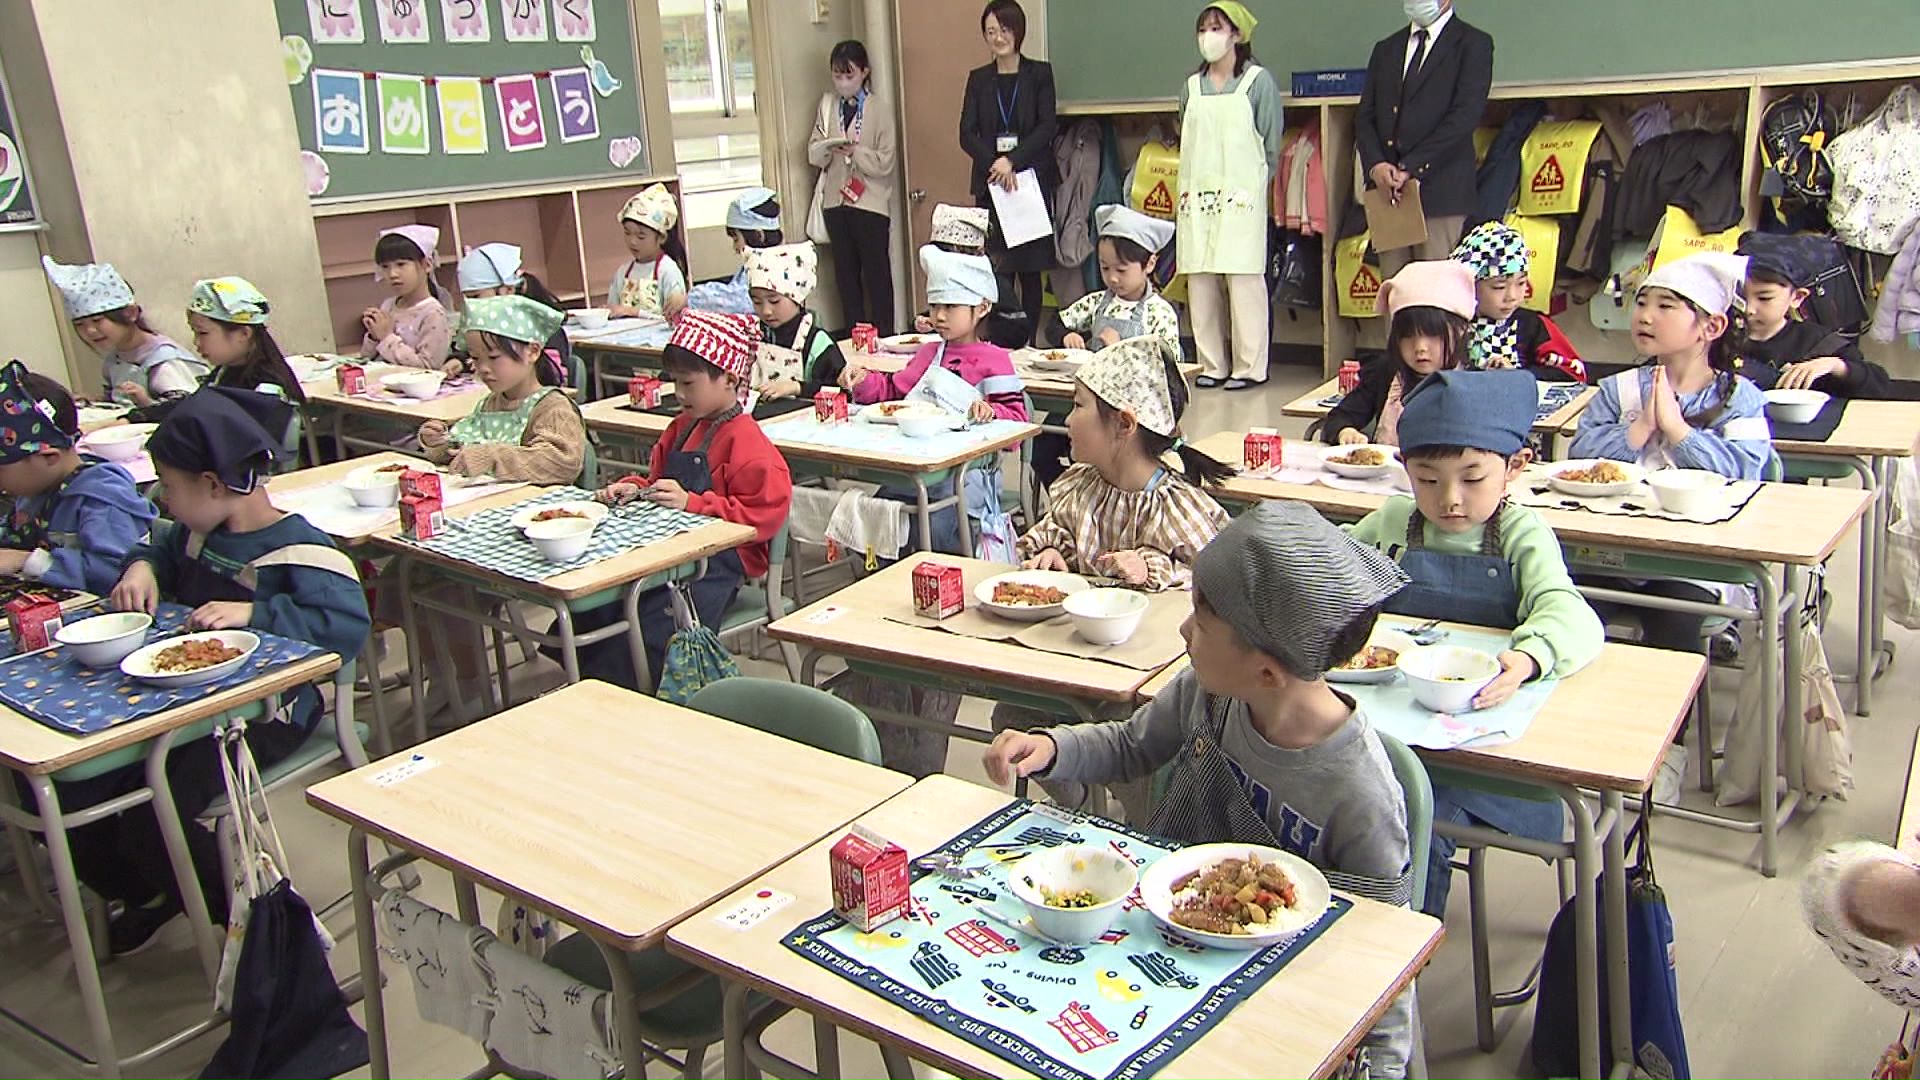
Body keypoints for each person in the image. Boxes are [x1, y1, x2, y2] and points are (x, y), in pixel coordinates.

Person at [983, 500, 1416, 1078]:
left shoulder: (1358, 791)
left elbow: (1381, 948)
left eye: (1201, 622)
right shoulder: (1208, 692)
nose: (1184, 629)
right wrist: (1055, 748)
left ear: (1266, 672)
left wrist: (1381, 1067)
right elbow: (1132, 744)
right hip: (1165, 954)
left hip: (1279, 1003)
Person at [88, 387, 368, 954]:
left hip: (267, 712)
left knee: (153, 798)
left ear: (214, 486)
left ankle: (264, 934)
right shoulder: (196, 534)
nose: (163, 501)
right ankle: (154, 890)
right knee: (86, 792)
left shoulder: (299, 549)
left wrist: (258, 612)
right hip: (184, 702)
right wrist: (141, 566)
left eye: (168, 487)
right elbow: (154, 545)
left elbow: (346, 624)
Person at [1344, 369, 1604, 916]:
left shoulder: (1519, 533)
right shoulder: (1393, 522)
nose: (1450, 500)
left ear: (1514, 468)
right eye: (1428, 480)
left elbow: (1568, 611)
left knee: (1414, 819)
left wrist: (1529, 656)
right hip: (1391, 726)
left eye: (1472, 477)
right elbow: (1334, 568)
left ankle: (1402, 948)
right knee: (1348, 795)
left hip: (1485, 751)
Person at [987, 335, 1233, 821]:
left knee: (1143, 756)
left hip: (1147, 687)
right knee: (1012, 717)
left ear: (1124, 424)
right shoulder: (1081, 487)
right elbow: (1045, 533)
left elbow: (1222, 585)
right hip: (1073, 663)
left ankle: (1147, 830)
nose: (1067, 420)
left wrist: (1155, 567)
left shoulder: (1176, 504)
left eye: (1078, 407)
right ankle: (1083, 805)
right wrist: (1049, 552)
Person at [1570, 253, 1772, 797]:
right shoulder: (1619, 390)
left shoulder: (1738, 396)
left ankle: (1666, 749)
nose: (1646, 315)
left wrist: (1678, 430)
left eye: (1665, 306)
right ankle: (1582, 743)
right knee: (1568, 610)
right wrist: (1639, 428)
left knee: (1675, 621)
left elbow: (1748, 472)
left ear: (1710, 327)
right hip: (1613, 550)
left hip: (1694, 557)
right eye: (1641, 302)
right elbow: (1579, 458)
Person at [580, 312, 793, 691]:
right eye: (674, 383)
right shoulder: (682, 427)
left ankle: (641, 700)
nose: (678, 394)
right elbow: (656, 480)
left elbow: (763, 517)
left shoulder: (748, 443)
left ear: (730, 379)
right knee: (601, 605)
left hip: (718, 566)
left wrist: (696, 504)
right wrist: (633, 488)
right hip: (669, 552)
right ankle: (597, 691)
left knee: (651, 623)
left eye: (688, 384)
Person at [846, 244, 1028, 554]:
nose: (939, 316)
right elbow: (893, 394)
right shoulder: (929, 353)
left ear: (981, 308)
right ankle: (886, 577)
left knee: (930, 520)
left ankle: (936, 571)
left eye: (951, 307)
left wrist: (991, 411)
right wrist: (863, 382)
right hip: (915, 463)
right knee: (873, 511)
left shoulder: (994, 360)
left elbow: (1018, 424)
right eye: (934, 306)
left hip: (967, 475)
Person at [1037, 205, 1183, 488]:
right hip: (1089, 401)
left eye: (1121, 270)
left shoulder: (1159, 313)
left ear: (1149, 264)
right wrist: (1067, 335)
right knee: (1040, 449)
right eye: (1105, 269)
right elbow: (1056, 323)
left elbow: (1169, 371)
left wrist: (1122, 350)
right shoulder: (1097, 303)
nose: (1113, 278)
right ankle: (1071, 495)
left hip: (1130, 416)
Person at [1178, 2, 1284, 390]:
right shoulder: (1191, 86)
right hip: (1197, 195)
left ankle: (1249, 366)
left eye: (1217, 27)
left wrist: (1256, 186)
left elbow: (1271, 143)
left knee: (1244, 282)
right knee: (1200, 281)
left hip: (1242, 197)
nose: (1209, 36)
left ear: (1237, 34)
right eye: (1203, 28)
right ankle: (1211, 364)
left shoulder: (1258, 82)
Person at [1355, 0, 1495, 277]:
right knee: (1396, 295)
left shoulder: (1472, 44)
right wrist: (1377, 166)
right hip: (1390, 194)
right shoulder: (1387, 49)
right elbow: (1365, 117)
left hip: (1441, 192)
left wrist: (1410, 166)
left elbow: (1464, 118)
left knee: (1436, 297)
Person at [0, 362, 154, 596]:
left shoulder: (103, 498)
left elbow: (114, 573)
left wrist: (26, 561)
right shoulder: (34, 490)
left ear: (49, 457)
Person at [959, 0, 1056, 342]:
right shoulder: (978, 79)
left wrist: (1011, 160)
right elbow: (966, 133)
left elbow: (1047, 127)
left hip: (1026, 184)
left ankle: (1027, 341)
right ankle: (1000, 342)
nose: (998, 37)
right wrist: (995, 164)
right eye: (990, 31)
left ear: (1018, 31)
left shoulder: (1039, 74)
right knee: (996, 268)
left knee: (1030, 271)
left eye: (1004, 29)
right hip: (992, 186)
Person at [420, 296, 585, 485]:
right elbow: (467, 450)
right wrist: (441, 444)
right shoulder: (489, 403)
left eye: (493, 357)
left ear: (532, 351)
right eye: (475, 358)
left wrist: (491, 457)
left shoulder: (554, 408)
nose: (483, 368)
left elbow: (561, 465)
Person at [1325, 260, 1475, 446]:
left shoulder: (1476, 382)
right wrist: (1346, 432)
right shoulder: (1385, 372)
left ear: (1460, 332)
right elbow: (1338, 418)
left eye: (1433, 335)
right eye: (1407, 336)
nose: (1420, 347)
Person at [811, 40, 898, 334]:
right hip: (837, 202)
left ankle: (885, 335)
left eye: (849, 75)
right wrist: (828, 148)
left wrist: (856, 151)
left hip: (870, 204)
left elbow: (885, 162)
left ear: (864, 72)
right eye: (838, 76)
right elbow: (813, 153)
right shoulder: (828, 106)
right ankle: (854, 337)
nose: (843, 82)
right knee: (846, 278)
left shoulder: (879, 108)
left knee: (876, 275)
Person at [42, 256, 205, 410]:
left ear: (130, 314)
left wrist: (145, 402)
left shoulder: (163, 359)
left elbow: (185, 408)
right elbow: (119, 402)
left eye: (98, 320)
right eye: (80, 324)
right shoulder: (114, 360)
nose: (90, 331)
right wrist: (93, 401)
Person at [1450, 221, 1586, 381]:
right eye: (1499, 287)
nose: (1512, 296)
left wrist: (1519, 376)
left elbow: (1573, 372)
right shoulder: (1453, 325)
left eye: (1521, 283)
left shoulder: (1533, 324)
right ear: (1471, 284)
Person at [1741, 253, 1891, 396]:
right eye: (1739, 296)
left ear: (1797, 297)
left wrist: (1836, 366)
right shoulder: (1722, 338)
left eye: (1764, 298)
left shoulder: (1818, 342)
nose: (1748, 309)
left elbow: (1879, 385)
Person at [183, 277, 310, 429]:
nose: (196, 342)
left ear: (244, 333)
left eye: (202, 333)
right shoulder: (223, 372)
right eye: (194, 332)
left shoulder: (266, 392)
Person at [456, 242, 573, 387]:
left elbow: (553, 380)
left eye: (475, 297)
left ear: (508, 290)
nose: (471, 306)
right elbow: (465, 350)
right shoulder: (479, 329)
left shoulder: (542, 330)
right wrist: (459, 361)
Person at [744, 241, 847, 401]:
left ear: (797, 296)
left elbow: (841, 390)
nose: (766, 311)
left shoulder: (817, 343)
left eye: (774, 301)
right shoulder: (754, 334)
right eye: (757, 302)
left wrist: (797, 387)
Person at [360, 224, 457, 373]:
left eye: (401, 264)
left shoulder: (433, 314)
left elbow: (428, 368)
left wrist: (386, 337)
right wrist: (373, 335)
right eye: (385, 267)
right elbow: (365, 359)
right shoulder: (388, 306)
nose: (392, 274)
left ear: (427, 265)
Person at [686, 188, 784, 317]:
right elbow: (730, 291)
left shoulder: (770, 267)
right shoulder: (750, 266)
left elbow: (737, 301)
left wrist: (691, 298)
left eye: (736, 239)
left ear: (758, 235)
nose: (735, 247)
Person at [607, 183, 689, 322]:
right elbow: (611, 310)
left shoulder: (668, 271)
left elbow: (675, 319)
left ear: (661, 237)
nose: (632, 241)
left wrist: (634, 312)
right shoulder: (623, 272)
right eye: (627, 233)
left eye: (641, 236)